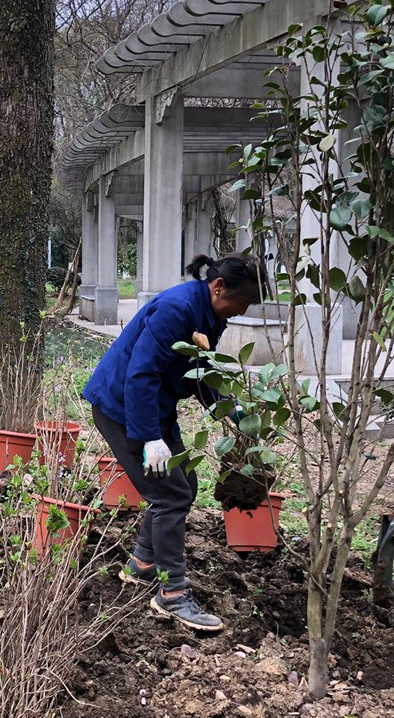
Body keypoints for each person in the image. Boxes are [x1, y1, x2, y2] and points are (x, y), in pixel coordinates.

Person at [83, 253, 269, 632]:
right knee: (170, 495)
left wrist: (231, 410)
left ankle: (143, 564)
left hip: (155, 409)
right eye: (243, 302)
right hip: (125, 409)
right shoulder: (177, 308)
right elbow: (141, 374)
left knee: (186, 483)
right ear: (219, 288)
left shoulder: (210, 314)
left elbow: (198, 372)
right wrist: (150, 439)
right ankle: (172, 594)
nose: (241, 311)